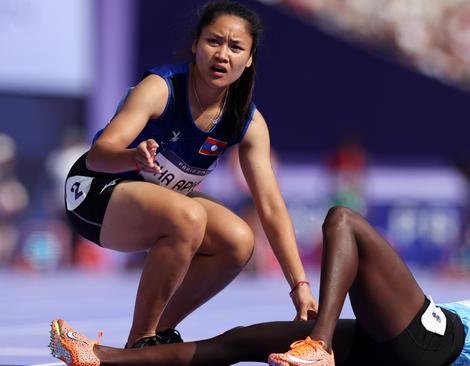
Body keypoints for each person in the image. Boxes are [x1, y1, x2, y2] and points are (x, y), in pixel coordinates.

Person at [50, 206, 470, 365]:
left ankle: (319, 346)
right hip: (401, 341)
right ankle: (100, 356)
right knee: (245, 338)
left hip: (433, 341)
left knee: (345, 223)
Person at [63, 1, 317, 348]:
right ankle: (142, 343)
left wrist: (300, 286)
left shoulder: (248, 122)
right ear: (196, 44)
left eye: (235, 47)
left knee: (239, 240)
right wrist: (133, 157)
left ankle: (161, 328)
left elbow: (271, 206)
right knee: (189, 216)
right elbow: (97, 156)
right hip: (95, 193)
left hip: (161, 204)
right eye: (214, 41)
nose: (222, 54)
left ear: (250, 58)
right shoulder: (160, 88)